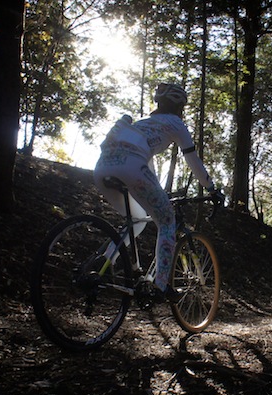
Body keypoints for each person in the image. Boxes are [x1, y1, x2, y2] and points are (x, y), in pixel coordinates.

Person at [93, 82, 223, 303]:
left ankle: (103, 263)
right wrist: (211, 188)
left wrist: (158, 193)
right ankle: (160, 285)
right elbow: (193, 160)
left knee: (137, 221)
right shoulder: (176, 124)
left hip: (102, 166)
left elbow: (146, 167)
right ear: (180, 107)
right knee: (166, 220)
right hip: (132, 167)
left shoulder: (144, 124)